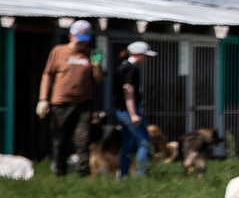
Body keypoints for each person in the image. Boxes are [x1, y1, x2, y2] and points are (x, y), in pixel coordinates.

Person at [36, 20, 102, 176]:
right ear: (70, 36)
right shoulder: (58, 51)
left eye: (86, 40)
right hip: (60, 103)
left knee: (83, 140)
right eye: (80, 39)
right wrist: (43, 99)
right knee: (60, 140)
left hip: (83, 104)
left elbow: (99, 80)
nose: (82, 44)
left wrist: (97, 65)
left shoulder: (92, 54)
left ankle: (84, 175)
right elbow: (48, 74)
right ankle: (60, 173)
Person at [113, 39, 155, 179]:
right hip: (128, 110)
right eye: (145, 55)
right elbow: (128, 90)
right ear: (138, 54)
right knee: (145, 143)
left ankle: (124, 175)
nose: (147, 59)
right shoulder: (131, 69)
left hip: (121, 110)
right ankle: (140, 175)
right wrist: (134, 114)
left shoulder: (122, 67)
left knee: (128, 144)